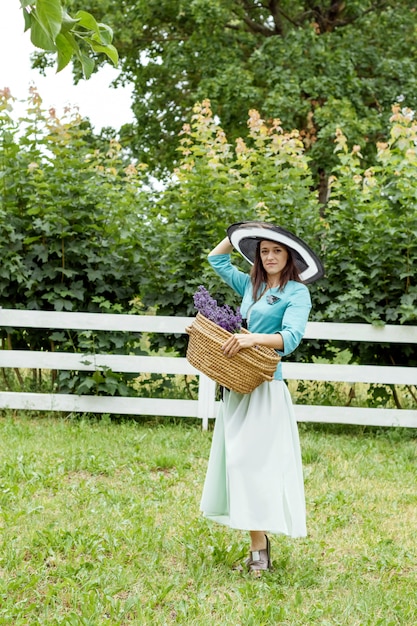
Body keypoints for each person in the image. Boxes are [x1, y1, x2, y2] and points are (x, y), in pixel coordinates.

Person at [199, 220, 324, 574]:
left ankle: (259, 551)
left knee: (255, 465)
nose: (270, 257)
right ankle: (259, 545)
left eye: (277, 251)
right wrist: (240, 234)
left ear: (291, 257)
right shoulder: (250, 286)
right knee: (237, 463)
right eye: (264, 251)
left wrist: (251, 339)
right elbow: (216, 261)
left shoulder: (297, 294)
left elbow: (291, 338)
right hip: (239, 384)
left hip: (267, 387)